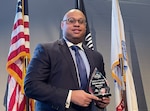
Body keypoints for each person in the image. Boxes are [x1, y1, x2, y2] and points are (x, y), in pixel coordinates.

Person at [24, 9, 110, 111]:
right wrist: (69, 96)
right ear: (62, 25)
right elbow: (31, 86)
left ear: (85, 26)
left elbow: (99, 88)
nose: (77, 24)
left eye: (81, 21)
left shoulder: (96, 57)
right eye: (71, 20)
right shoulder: (46, 50)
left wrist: (101, 100)